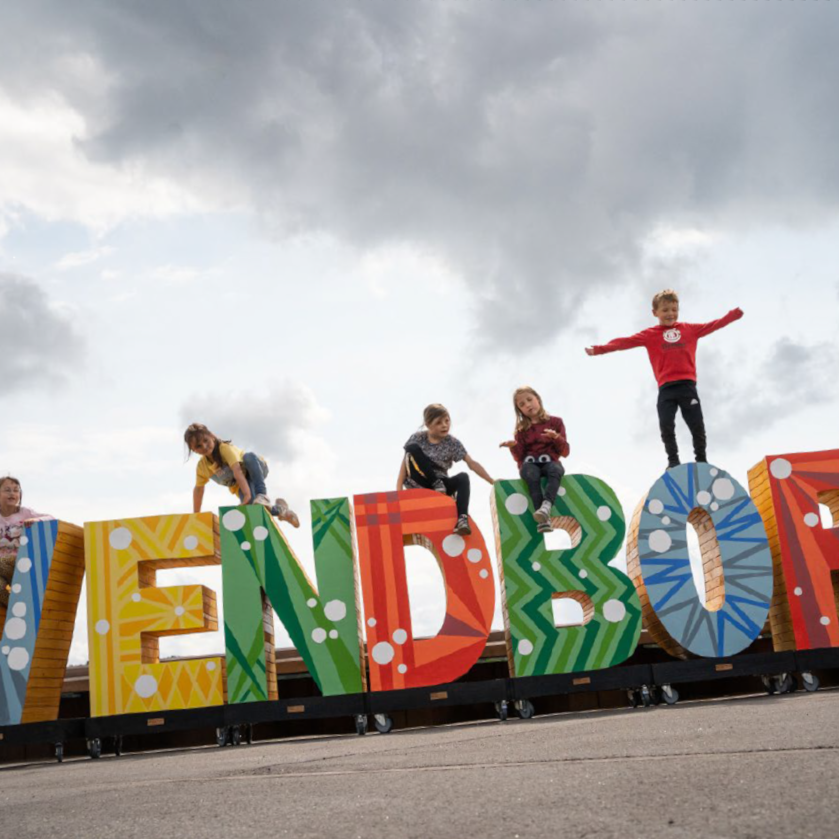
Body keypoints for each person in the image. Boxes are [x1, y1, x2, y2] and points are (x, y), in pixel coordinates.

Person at [585, 289, 743, 469]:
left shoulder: (689, 330)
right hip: (666, 389)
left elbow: (714, 325)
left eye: (674, 310)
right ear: (655, 313)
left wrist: (733, 315)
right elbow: (624, 342)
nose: (670, 314)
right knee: (666, 425)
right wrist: (600, 349)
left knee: (697, 425)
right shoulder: (650, 334)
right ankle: (673, 461)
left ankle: (701, 460)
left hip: (687, 386)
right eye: (665, 310)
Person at [396, 404, 494, 536]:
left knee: (463, 477)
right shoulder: (418, 438)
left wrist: (491, 480)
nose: (444, 425)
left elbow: (471, 463)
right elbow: (404, 465)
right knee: (411, 448)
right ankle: (435, 482)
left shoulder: (452, 443)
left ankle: (462, 519)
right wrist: (398, 493)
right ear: (428, 424)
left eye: (447, 421)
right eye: (439, 423)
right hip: (419, 479)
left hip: (441, 485)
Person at [184, 423, 299, 527]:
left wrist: (247, 494)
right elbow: (198, 489)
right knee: (253, 509)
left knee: (248, 457)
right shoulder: (202, 467)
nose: (204, 446)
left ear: (212, 437)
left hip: (255, 468)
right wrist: (196, 515)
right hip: (242, 485)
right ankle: (282, 510)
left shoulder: (224, 448)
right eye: (198, 446)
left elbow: (237, 470)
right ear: (193, 450)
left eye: (206, 441)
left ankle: (262, 495)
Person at [499, 387, 569, 533]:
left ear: (538, 398)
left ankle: (546, 506)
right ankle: (542, 518)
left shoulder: (556, 422)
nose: (528, 405)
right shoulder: (521, 431)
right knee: (531, 474)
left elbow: (565, 452)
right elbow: (519, 457)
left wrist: (556, 437)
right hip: (530, 464)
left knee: (555, 469)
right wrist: (513, 447)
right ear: (520, 410)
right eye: (522, 404)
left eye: (529, 400)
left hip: (550, 462)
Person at [0, 476, 54, 606]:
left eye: (16, 490)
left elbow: (51, 517)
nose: (12, 493)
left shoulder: (24, 512)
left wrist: (36, 520)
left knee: (2, 563)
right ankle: (16, 607)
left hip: (19, 561)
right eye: (7, 490)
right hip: (2, 568)